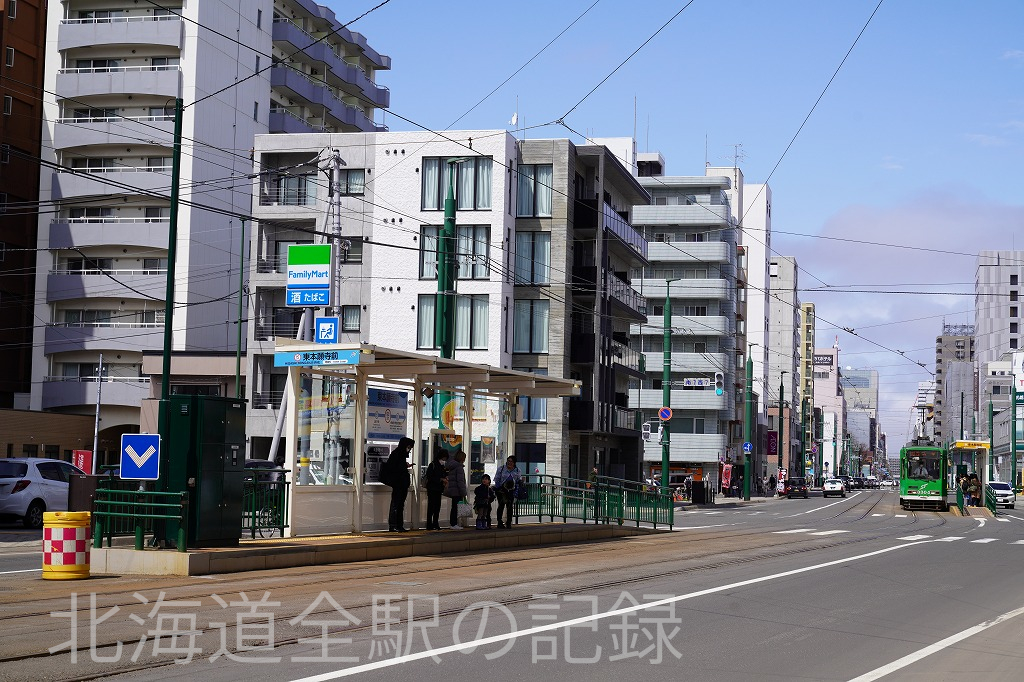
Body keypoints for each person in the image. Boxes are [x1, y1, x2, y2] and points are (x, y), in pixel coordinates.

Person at [385, 437, 414, 532]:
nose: (409, 449)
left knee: (400, 505)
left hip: (402, 484)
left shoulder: (400, 455)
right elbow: (394, 468)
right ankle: (393, 525)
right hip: (398, 484)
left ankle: (399, 525)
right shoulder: (396, 454)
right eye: (408, 447)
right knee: (396, 504)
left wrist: (405, 465)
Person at [493, 455, 522, 529]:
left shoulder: (517, 470)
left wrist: (520, 482)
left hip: (511, 490)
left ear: (514, 463)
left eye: (511, 461)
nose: (509, 463)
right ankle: (499, 522)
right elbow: (497, 479)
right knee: (501, 505)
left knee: (509, 507)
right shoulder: (501, 469)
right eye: (508, 461)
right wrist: (498, 488)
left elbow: (519, 479)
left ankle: (508, 522)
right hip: (502, 490)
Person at [424, 450, 449, 530]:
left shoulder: (442, 466)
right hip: (432, 488)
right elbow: (430, 476)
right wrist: (441, 479)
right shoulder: (433, 465)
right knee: (431, 507)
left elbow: (444, 474)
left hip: (438, 489)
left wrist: (445, 478)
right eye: (443, 458)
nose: (444, 461)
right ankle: (429, 524)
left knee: (437, 507)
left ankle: (435, 523)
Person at [444, 450, 469, 529]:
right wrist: (463, 492)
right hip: (457, 491)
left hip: (453, 490)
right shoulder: (459, 467)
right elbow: (460, 481)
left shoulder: (452, 466)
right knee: (456, 508)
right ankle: (454, 524)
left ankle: (453, 523)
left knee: (454, 507)